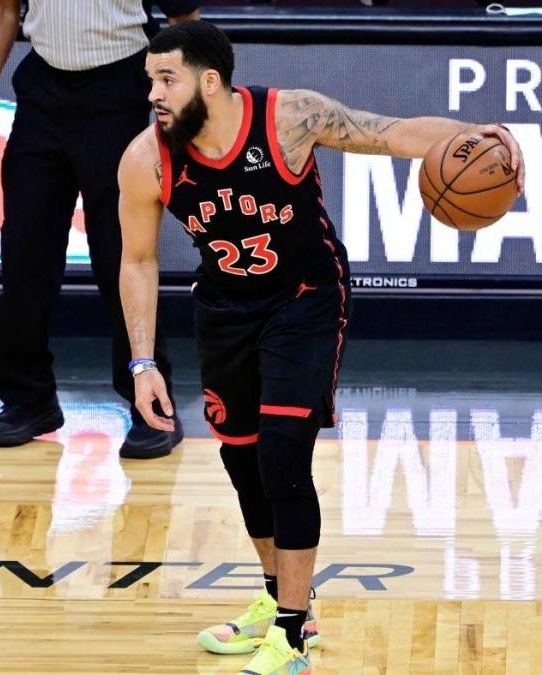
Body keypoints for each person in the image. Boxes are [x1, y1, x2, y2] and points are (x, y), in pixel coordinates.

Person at [117, 21, 524, 674]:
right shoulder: (146, 159)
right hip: (224, 308)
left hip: (304, 296)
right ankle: (279, 595)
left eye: (167, 79)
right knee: (243, 463)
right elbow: (136, 261)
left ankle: (294, 629)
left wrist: (471, 137)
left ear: (210, 81)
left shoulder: (288, 118)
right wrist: (141, 362)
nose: (154, 94)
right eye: (150, 81)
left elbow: (389, 132)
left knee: (282, 457)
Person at [0, 0, 202, 458]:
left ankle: (150, 403)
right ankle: (27, 399)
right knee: (25, 252)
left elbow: (185, 23)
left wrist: (184, 110)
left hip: (119, 92)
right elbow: (0, 9)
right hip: (42, 92)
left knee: (120, 256)